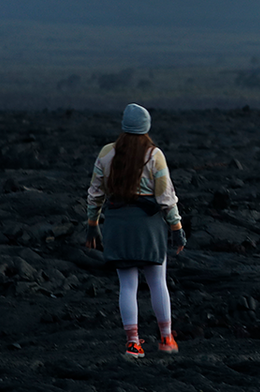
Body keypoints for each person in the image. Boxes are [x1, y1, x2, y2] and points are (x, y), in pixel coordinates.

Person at [84, 103, 186, 358]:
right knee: (157, 282)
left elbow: (95, 194)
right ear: (146, 126)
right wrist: (176, 227)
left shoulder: (107, 153)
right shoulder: (154, 155)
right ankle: (166, 339)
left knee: (127, 286)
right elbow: (165, 196)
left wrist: (93, 225)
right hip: (148, 226)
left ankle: (133, 343)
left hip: (118, 223)